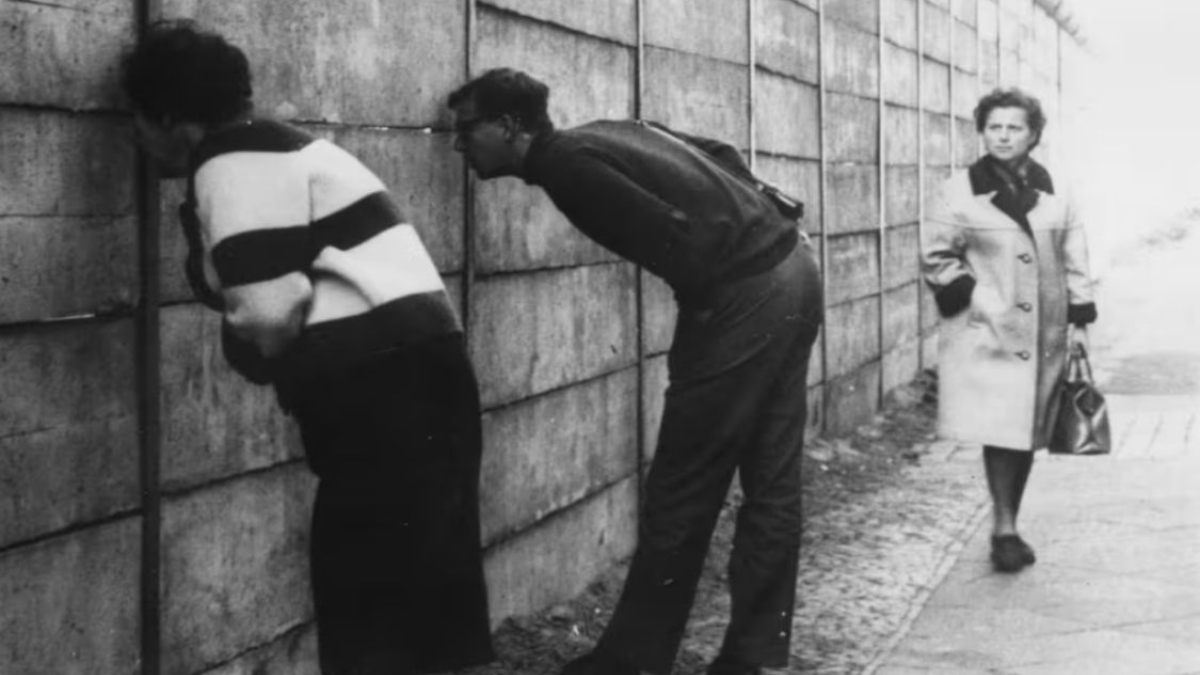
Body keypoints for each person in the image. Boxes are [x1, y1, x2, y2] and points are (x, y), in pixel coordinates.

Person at [121, 21, 495, 675]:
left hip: (383, 396)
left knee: (363, 603)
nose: (136, 140)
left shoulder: (230, 161)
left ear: (173, 120)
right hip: (430, 376)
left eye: (138, 121)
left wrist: (254, 349)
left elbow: (266, 311)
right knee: (427, 602)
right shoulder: (288, 149)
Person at [447, 68, 823, 675]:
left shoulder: (566, 166)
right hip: (794, 267)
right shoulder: (608, 130)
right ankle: (753, 657)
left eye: (467, 131)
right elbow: (722, 154)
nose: (460, 146)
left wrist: (703, 303)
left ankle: (632, 663)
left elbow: (676, 239)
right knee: (771, 479)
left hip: (743, 297)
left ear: (510, 127)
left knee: (682, 485)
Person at [922, 87, 1096, 573]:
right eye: (994, 127)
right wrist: (978, 301)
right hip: (986, 333)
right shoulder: (957, 191)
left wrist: (1080, 321)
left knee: (1025, 432)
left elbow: (1075, 258)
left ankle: (1008, 521)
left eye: (1013, 127)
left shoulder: (1059, 191)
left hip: (1044, 334)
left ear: (1033, 134)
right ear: (982, 132)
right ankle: (1004, 528)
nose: (1002, 136)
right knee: (1000, 429)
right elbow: (937, 257)